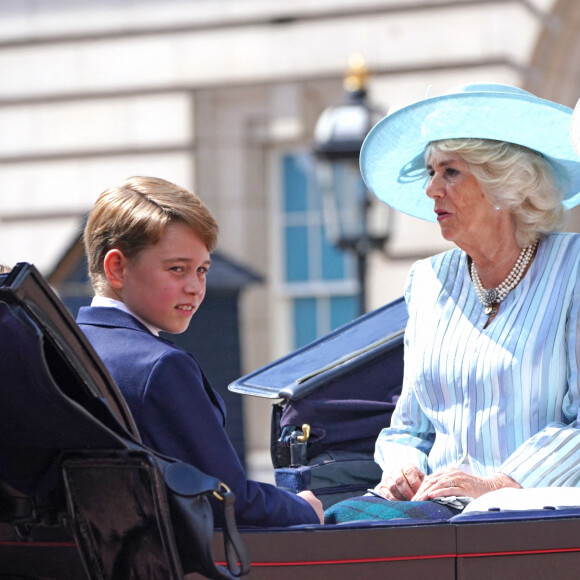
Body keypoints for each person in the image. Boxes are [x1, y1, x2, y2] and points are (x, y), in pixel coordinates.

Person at [325, 83, 580, 523]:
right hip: (434, 512)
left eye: (450, 172)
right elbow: (409, 426)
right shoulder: (426, 280)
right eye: (430, 173)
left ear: (505, 183)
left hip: (537, 519)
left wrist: (498, 485)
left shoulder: (573, 268)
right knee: (338, 527)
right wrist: (403, 467)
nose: (431, 190)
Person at [77, 175, 324, 527]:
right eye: (177, 269)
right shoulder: (160, 366)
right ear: (117, 267)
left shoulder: (60, 348)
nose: (195, 287)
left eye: (202, 270)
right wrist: (304, 509)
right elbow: (226, 499)